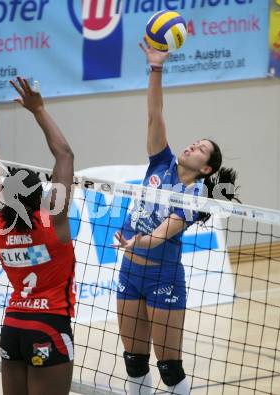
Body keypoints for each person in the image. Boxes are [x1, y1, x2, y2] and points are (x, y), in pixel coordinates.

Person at [113, 38, 239, 395]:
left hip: (162, 277)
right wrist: (156, 67)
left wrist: (139, 240)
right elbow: (155, 114)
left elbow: (162, 234)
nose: (191, 146)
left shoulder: (195, 195)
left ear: (207, 167)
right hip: (130, 271)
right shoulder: (160, 162)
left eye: (200, 149)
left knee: (169, 368)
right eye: (193, 142)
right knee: (134, 361)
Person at [0, 77, 75, 395]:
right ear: (41, 196)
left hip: (13, 327)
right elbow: (64, 155)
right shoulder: (54, 219)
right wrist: (39, 110)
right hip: (49, 325)